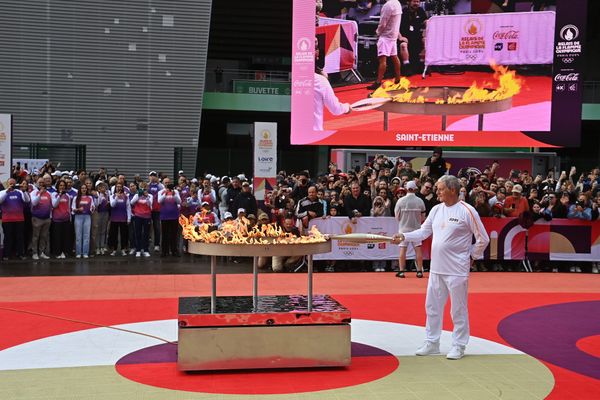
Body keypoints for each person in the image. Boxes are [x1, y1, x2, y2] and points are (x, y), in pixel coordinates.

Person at [393, 175, 490, 360]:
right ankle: (432, 342)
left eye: (440, 188)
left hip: (457, 270)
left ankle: (459, 345)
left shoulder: (467, 211)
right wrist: (404, 236)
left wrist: (471, 256)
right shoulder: (436, 209)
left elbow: (483, 239)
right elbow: (424, 231)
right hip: (436, 269)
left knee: (458, 309)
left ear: (452, 190)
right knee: (432, 307)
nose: (437, 191)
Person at [314, 38, 351, 130]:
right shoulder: (320, 81)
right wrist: (346, 108)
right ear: (316, 54)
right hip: (314, 135)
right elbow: (336, 109)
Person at [367, 0, 403, 90]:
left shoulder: (388, 5)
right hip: (393, 35)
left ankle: (378, 82)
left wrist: (377, 32)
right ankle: (398, 79)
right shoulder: (397, 3)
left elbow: (383, 23)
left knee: (382, 60)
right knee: (395, 57)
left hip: (386, 36)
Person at [394, 180, 426, 278]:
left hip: (403, 228)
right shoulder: (420, 201)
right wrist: (417, 222)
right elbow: (423, 216)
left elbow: (397, 216)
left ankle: (401, 271)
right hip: (416, 228)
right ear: (415, 189)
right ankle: (419, 271)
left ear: (406, 189)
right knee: (418, 249)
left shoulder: (400, 201)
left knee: (403, 249)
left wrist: (402, 221)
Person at [0, 178, 31, 260]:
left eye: (13, 183)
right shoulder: (2, 192)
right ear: (7, 184)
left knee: (20, 237)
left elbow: (27, 200)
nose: (12, 185)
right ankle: (7, 254)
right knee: (8, 237)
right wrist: (7, 191)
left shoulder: (20, 192)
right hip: (7, 220)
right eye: (10, 183)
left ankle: (20, 253)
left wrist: (24, 191)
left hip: (19, 219)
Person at [30, 178, 53, 260]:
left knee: (44, 236)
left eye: (43, 182)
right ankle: (35, 253)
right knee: (36, 236)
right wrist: (40, 193)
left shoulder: (49, 194)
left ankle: (41, 252)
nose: (41, 184)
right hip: (37, 218)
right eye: (39, 182)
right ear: (36, 183)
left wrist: (50, 216)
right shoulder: (33, 192)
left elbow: (51, 205)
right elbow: (34, 203)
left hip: (46, 218)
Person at [158, 178, 182, 257]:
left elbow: (179, 201)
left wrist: (173, 194)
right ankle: (164, 251)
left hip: (174, 216)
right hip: (164, 216)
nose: (167, 184)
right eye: (165, 182)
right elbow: (159, 201)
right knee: (164, 234)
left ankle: (174, 250)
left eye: (168, 182)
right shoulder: (161, 192)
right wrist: (165, 194)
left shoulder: (175, 192)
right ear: (163, 183)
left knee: (174, 234)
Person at [71, 184, 95, 258]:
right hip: (78, 217)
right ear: (80, 189)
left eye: (85, 188)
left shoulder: (90, 197)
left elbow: (92, 208)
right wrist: (78, 210)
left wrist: (92, 209)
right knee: (78, 235)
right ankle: (78, 252)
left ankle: (85, 252)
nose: (84, 189)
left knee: (86, 235)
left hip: (87, 217)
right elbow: (73, 209)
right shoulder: (76, 198)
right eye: (82, 188)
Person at [130, 183, 153, 257]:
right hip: (138, 216)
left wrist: (146, 196)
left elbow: (150, 205)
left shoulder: (150, 196)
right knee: (138, 233)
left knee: (146, 233)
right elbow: (131, 202)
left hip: (147, 216)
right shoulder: (137, 195)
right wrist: (138, 196)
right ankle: (138, 250)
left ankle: (145, 249)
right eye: (141, 188)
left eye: (144, 188)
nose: (143, 190)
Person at [51, 180, 71, 259]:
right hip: (57, 219)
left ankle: (64, 251)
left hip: (65, 219)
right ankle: (57, 252)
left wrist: (70, 218)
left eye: (63, 185)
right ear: (57, 186)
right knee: (57, 237)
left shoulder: (67, 196)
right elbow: (54, 205)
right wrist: (59, 195)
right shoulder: (54, 194)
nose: (62, 187)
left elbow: (68, 208)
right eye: (60, 185)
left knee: (65, 237)